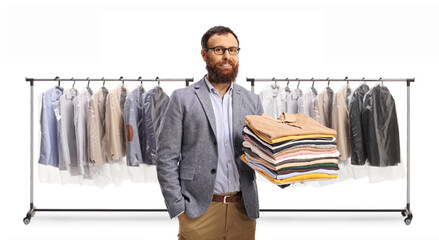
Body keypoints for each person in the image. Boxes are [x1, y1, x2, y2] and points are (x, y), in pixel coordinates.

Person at [156, 26, 263, 240]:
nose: (227, 56)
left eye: (233, 50)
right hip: (198, 212)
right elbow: (166, 157)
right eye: (219, 50)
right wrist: (178, 209)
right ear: (204, 54)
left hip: (243, 211)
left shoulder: (252, 101)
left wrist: (289, 166)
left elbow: (262, 153)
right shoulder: (182, 98)